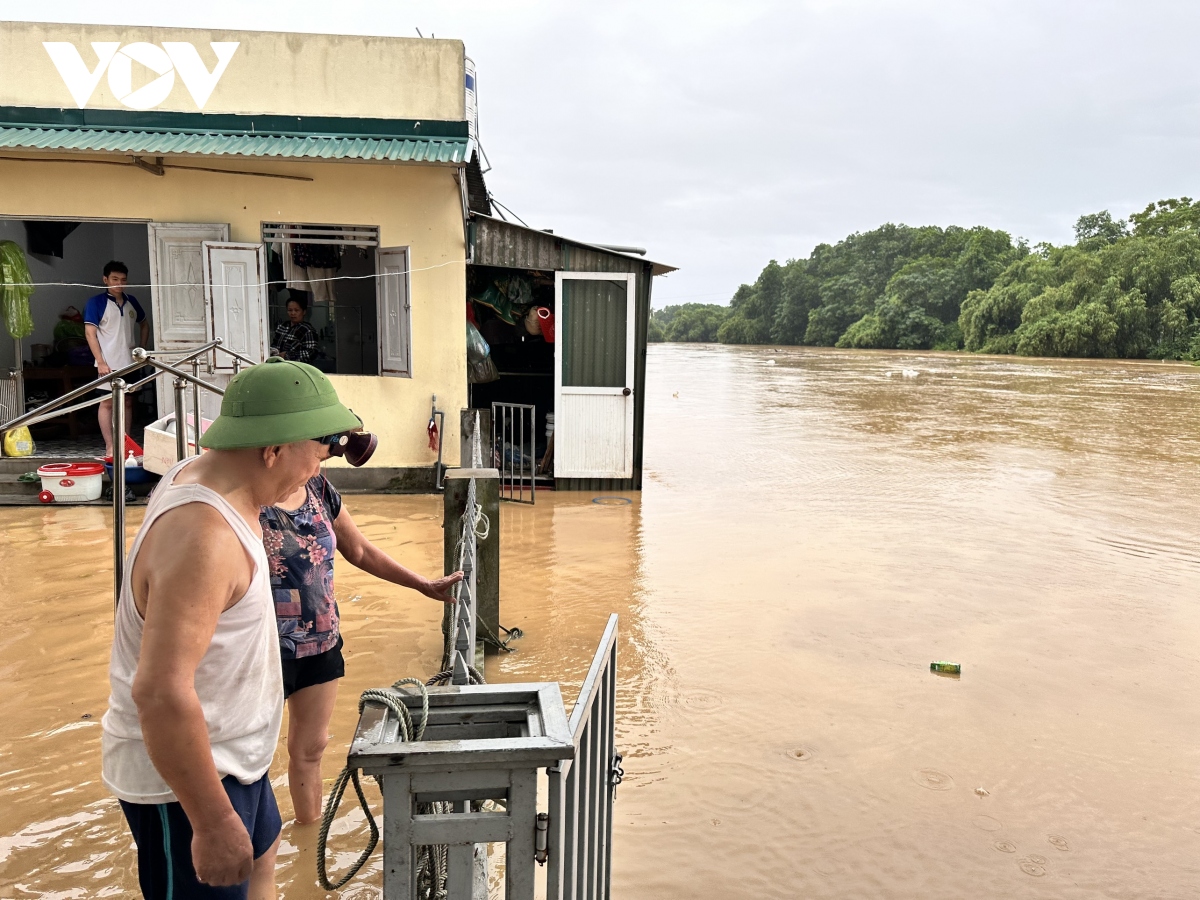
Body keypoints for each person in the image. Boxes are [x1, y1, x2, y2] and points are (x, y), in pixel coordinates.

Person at [101, 357, 363, 899]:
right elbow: (158, 691)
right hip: (190, 780)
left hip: (236, 755)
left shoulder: (202, 474)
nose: (317, 471)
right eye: (315, 455)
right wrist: (213, 822)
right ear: (271, 450)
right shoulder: (206, 536)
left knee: (263, 862)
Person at [262, 462, 463, 824]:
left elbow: (359, 550)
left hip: (320, 641)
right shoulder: (249, 494)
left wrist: (423, 584)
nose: (323, 454)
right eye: (319, 443)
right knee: (250, 755)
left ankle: (309, 837)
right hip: (260, 649)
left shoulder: (320, 489)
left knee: (311, 748)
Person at [83, 260, 149, 459]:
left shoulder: (132, 301)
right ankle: (111, 446)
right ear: (105, 280)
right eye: (114, 279)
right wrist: (100, 362)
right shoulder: (96, 302)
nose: (119, 283)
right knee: (107, 403)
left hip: (130, 362)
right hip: (107, 363)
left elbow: (144, 324)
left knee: (128, 402)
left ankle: (125, 442)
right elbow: (89, 333)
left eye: (123, 280)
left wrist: (141, 349)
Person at [270, 296, 318, 364]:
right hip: (277, 365)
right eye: (290, 310)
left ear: (304, 312)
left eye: (296, 310)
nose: (293, 313)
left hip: (297, 367)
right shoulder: (282, 326)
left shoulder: (307, 330)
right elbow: (274, 344)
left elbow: (311, 353)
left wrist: (287, 355)